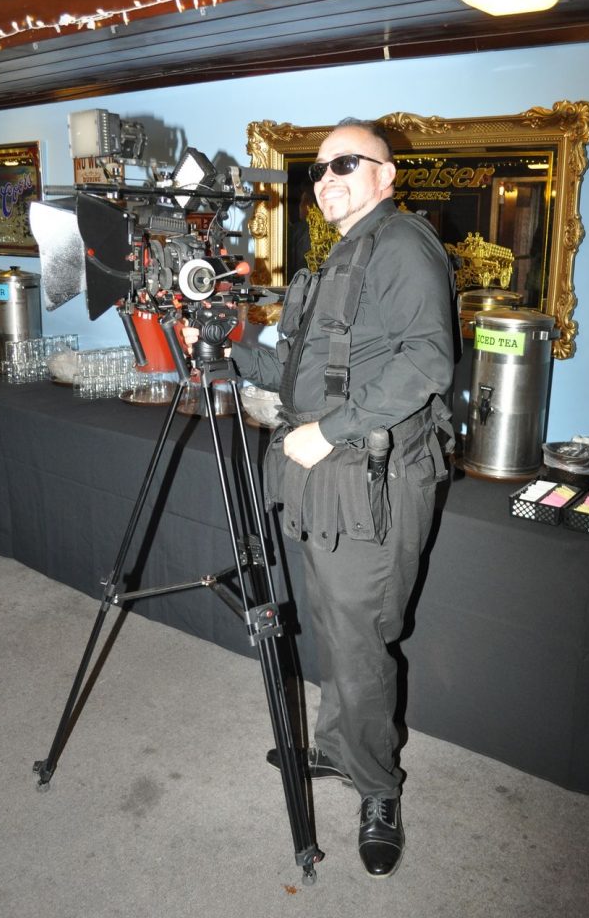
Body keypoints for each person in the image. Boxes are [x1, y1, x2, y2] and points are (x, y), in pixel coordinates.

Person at [185, 118, 457, 878]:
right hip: (324, 479)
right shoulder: (340, 255)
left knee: (362, 641)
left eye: (346, 163)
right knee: (339, 628)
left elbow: (429, 362)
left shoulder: (402, 246)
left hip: (369, 480)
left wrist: (330, 430)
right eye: (318, 169)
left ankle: (380, 789)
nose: (327, 178)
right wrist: (227, 347)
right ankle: (339, 747)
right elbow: (295, 369)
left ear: (386, 175)